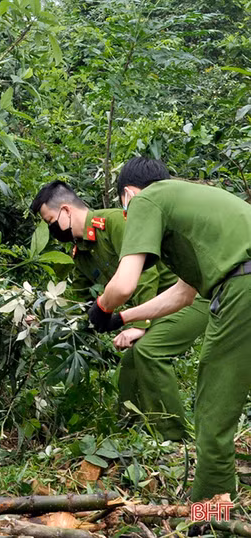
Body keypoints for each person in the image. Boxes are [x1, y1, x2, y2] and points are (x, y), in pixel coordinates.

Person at [88, 156, 251, 501]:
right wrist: (123, 319)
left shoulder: (147, 200)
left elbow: (124, 284)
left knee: (212, 412)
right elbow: (183, 293)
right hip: (242, 281)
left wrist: (103, 306)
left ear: (127, 195)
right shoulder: (188, 204)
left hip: (242, 289)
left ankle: (210, 516)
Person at [30, 181, 208, 441]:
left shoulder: (115, 223)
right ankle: (132, 433)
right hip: (158, 307)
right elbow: (79, 302)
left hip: (187, 295)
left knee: (148, 352)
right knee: (128, 366)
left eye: (50, 221)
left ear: (66, 211)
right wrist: (47, 321)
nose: (51, 230)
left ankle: (175, 439)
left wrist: (139, 325)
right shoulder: (81, 253)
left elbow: (146, 275)